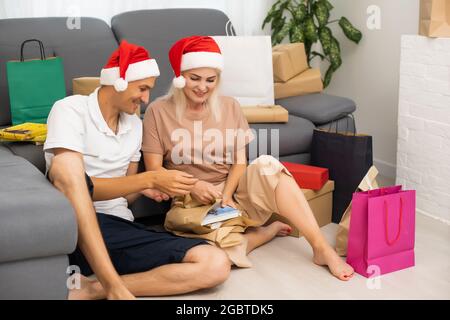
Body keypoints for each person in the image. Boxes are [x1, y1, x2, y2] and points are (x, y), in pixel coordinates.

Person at [142, 36, 354, 281]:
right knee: (216, 255)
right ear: (180, 77)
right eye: (195, 78)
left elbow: (239, 161)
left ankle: (321, 248)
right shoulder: (157, 111)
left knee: (269, 165)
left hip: (231, 194)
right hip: (189, 201)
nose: (203, 87)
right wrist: (194, 186)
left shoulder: (230, 106)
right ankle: (261, 234)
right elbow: (155, 171)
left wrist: (227, 195)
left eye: (210, 80)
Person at [44, 40, 231, 300]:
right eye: (142, 89)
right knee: (66, 167)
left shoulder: (133, 124)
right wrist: (149, 177)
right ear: (118, 82)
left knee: (214, 262)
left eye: (149, 91)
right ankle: (114, 288)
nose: (146, 99)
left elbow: (125, 194)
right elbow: (71, 186)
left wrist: (146, 187)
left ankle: (93, 288)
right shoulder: (69, 110)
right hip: (74, 224)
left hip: (119, 230)